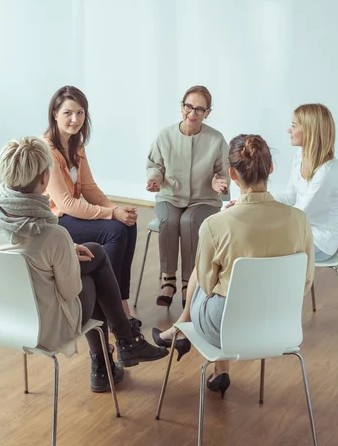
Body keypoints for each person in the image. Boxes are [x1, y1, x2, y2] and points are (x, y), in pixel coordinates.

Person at [0, 137, 168, 393]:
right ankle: (117, 349)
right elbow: (69, 291)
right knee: (93, 278)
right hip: (44, 325)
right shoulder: (51, 235)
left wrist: (64, 253)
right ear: (44, 179)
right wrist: (63, 254)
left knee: (95, 253)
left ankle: (113, 354)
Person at [152, 134, 314, 397]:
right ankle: (218, 370)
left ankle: (184, 333)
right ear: (271, 168)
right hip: (281, 327)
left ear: (232, 174)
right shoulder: (299, 220)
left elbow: (206, 285)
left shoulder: (217, 225)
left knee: (206, 273)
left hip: (226, 330)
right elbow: (305, 282)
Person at [43, 85, 138, 320]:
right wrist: (111, 214)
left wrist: (116, 211)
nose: (75, 119)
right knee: (115, 231)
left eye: (81, 112)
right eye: (68, 113)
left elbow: (88, 188)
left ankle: (120, 301)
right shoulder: (47, 149)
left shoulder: (76, 144)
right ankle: (109, 306)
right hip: (55, 221)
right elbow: (65, 204)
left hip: (71, 216)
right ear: (55, 114)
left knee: (128, 223)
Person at [146, 85, 230, 308]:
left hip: (204, 200)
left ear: (207, 113)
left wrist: (219, 183)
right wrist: (155, 178)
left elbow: (224, 173)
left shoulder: (216, 140)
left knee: (189, 221)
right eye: (188, 107)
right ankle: (169, 279)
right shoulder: (165, 135)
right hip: (169, 196)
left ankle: (188, 283)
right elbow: (155, 164)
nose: (192, 114)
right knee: (169, 220)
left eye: (199, 110)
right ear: (182, 106)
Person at [273, 103, 338, 262]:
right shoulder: (300, 155)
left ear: (310, 131)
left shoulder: (326, 173)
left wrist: (256, 212)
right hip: (301, 230)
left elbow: (298, 215)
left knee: (259, 243)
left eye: (294, 125)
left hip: (320, 242)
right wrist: (254, 201)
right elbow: (290, 195)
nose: (289, 130)